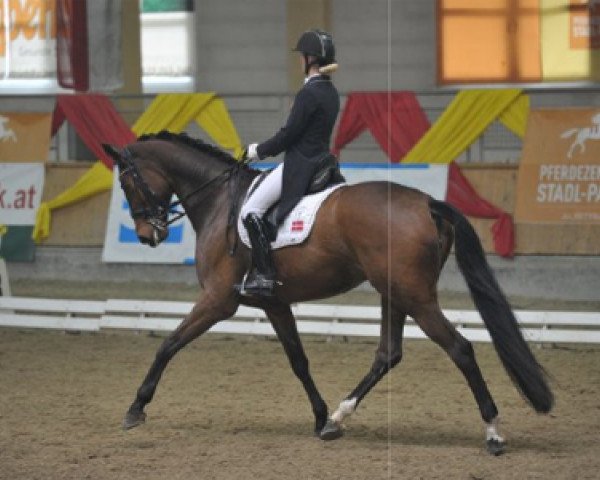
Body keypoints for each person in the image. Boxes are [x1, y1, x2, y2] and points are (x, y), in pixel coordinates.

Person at [239, 28, 340, 297]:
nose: (299, 61)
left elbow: (289, 135)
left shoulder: (309, 93)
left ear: (309, 59)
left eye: (301, 56)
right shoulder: (330, 90)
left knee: (251, 210)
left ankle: (264, 275)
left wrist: (257, 151)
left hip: (301, 165)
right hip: (323, 161)